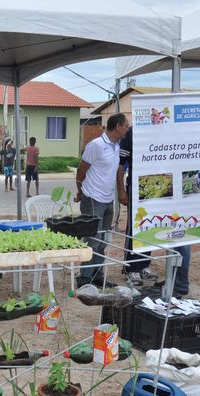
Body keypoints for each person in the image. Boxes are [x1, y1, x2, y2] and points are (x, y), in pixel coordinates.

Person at [75, 113, 129, 287]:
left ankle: (97, 275)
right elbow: (81, 171)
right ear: (118, 126)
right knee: (92, 239)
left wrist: (121, 192)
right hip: (93, 199)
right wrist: (80, 191)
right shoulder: (96, 145)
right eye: (126, 126)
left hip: (107, 200)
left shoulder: (116, 146)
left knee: (103, 239)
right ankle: (84, 278)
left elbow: (118, 170)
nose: (127, 129)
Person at [119, 127, 158, 285]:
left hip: (157, 186)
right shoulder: (131, 133)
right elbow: (120, 164)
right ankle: (131, 268)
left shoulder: (161, 131)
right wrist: (121, 190)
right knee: (136, 227)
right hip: (136, 187)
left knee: (151, 226)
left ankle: (144, 265)